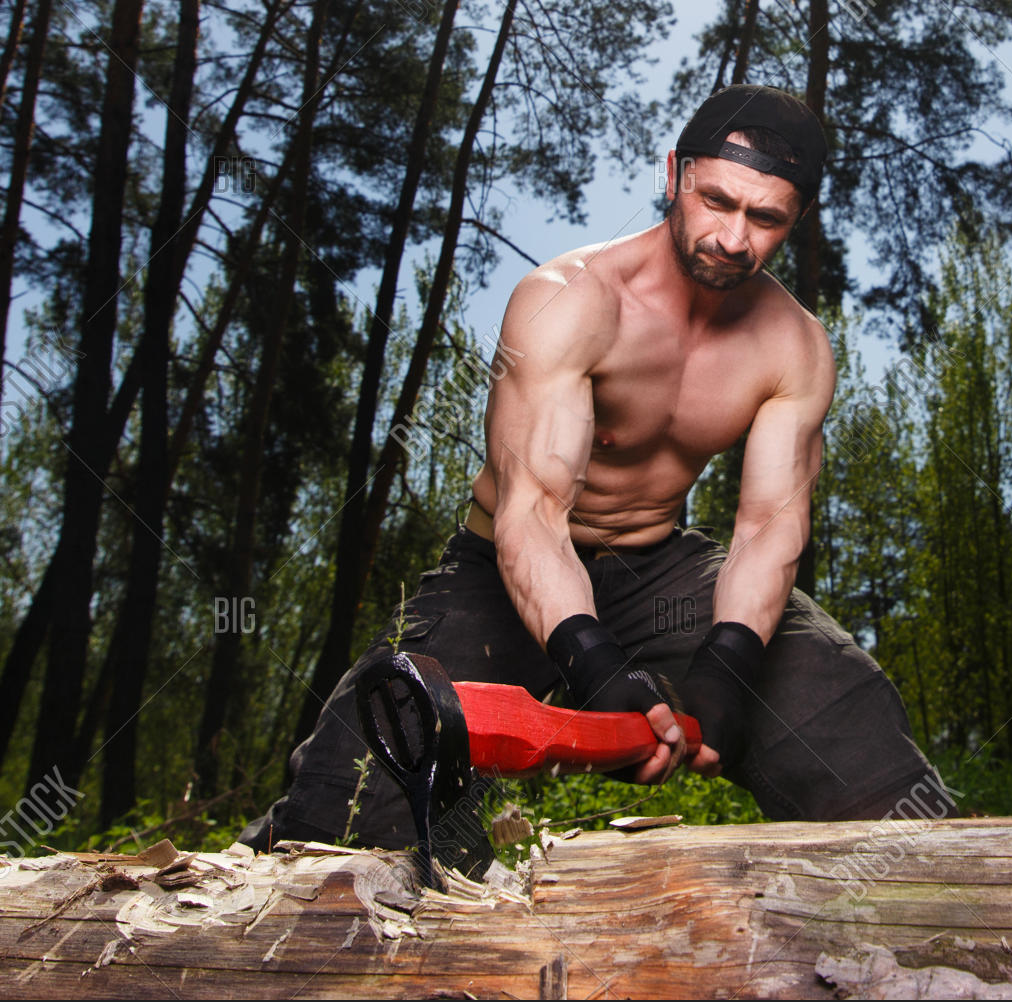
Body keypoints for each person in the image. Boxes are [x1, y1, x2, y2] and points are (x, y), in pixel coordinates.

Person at [238, 84, 953, 854]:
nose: (732, 237)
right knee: (359, 801)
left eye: (766, 218)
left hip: (660, 567)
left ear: (797, 218)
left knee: (856, 733)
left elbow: (768, 525)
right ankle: (288, 838)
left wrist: (732, 658)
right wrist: (591, 659)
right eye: (716, 201)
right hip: (502, 567)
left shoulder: (795, 346)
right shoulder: (569, 301)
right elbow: (533, 512)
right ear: (674, 174)